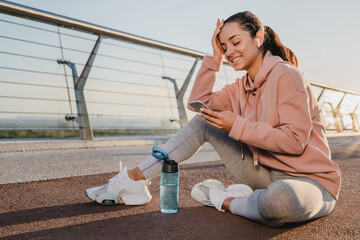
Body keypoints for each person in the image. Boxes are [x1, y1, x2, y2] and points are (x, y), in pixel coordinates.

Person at [85, 11, 341, 227]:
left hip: (310, 182)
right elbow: (198, 104)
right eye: (224, 46)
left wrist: (236, 126)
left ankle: (221, 198)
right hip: (265, 174)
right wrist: (214, 59)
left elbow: (295, 141)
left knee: (278, 202)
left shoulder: (287, 75)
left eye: (235, 42)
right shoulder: (242, 86)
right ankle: (133, 179)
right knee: (204, 122)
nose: (230, 51)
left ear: (259, 38)